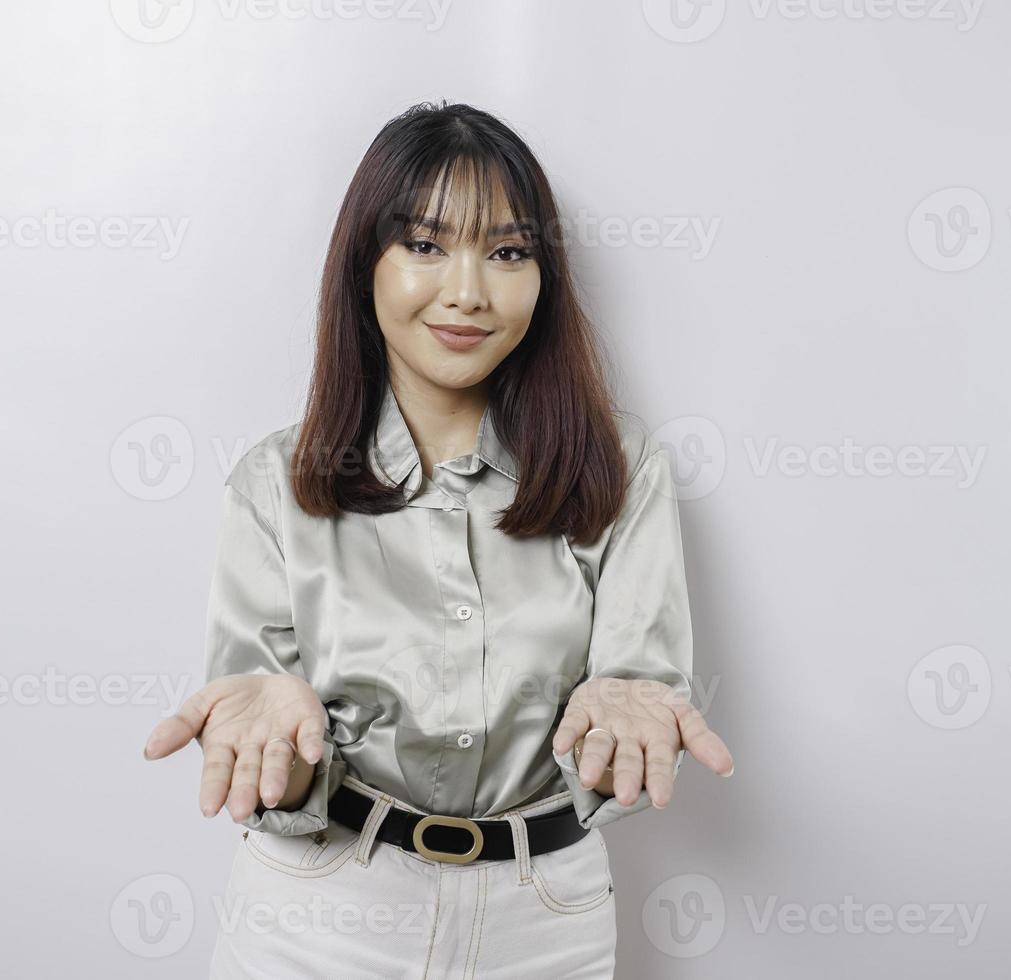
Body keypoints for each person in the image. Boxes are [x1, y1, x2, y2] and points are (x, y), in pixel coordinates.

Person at [143, 100, 734, 979]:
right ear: (364, 265)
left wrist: (626, 715)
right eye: (424, 245)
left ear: (544, 276)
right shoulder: (277, 483)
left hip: (548, 922)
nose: (468, 290)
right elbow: (262, 738)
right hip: (319, 915)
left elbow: (633, 708)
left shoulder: (622, 472)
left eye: (507, 251)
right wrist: (283, 750)